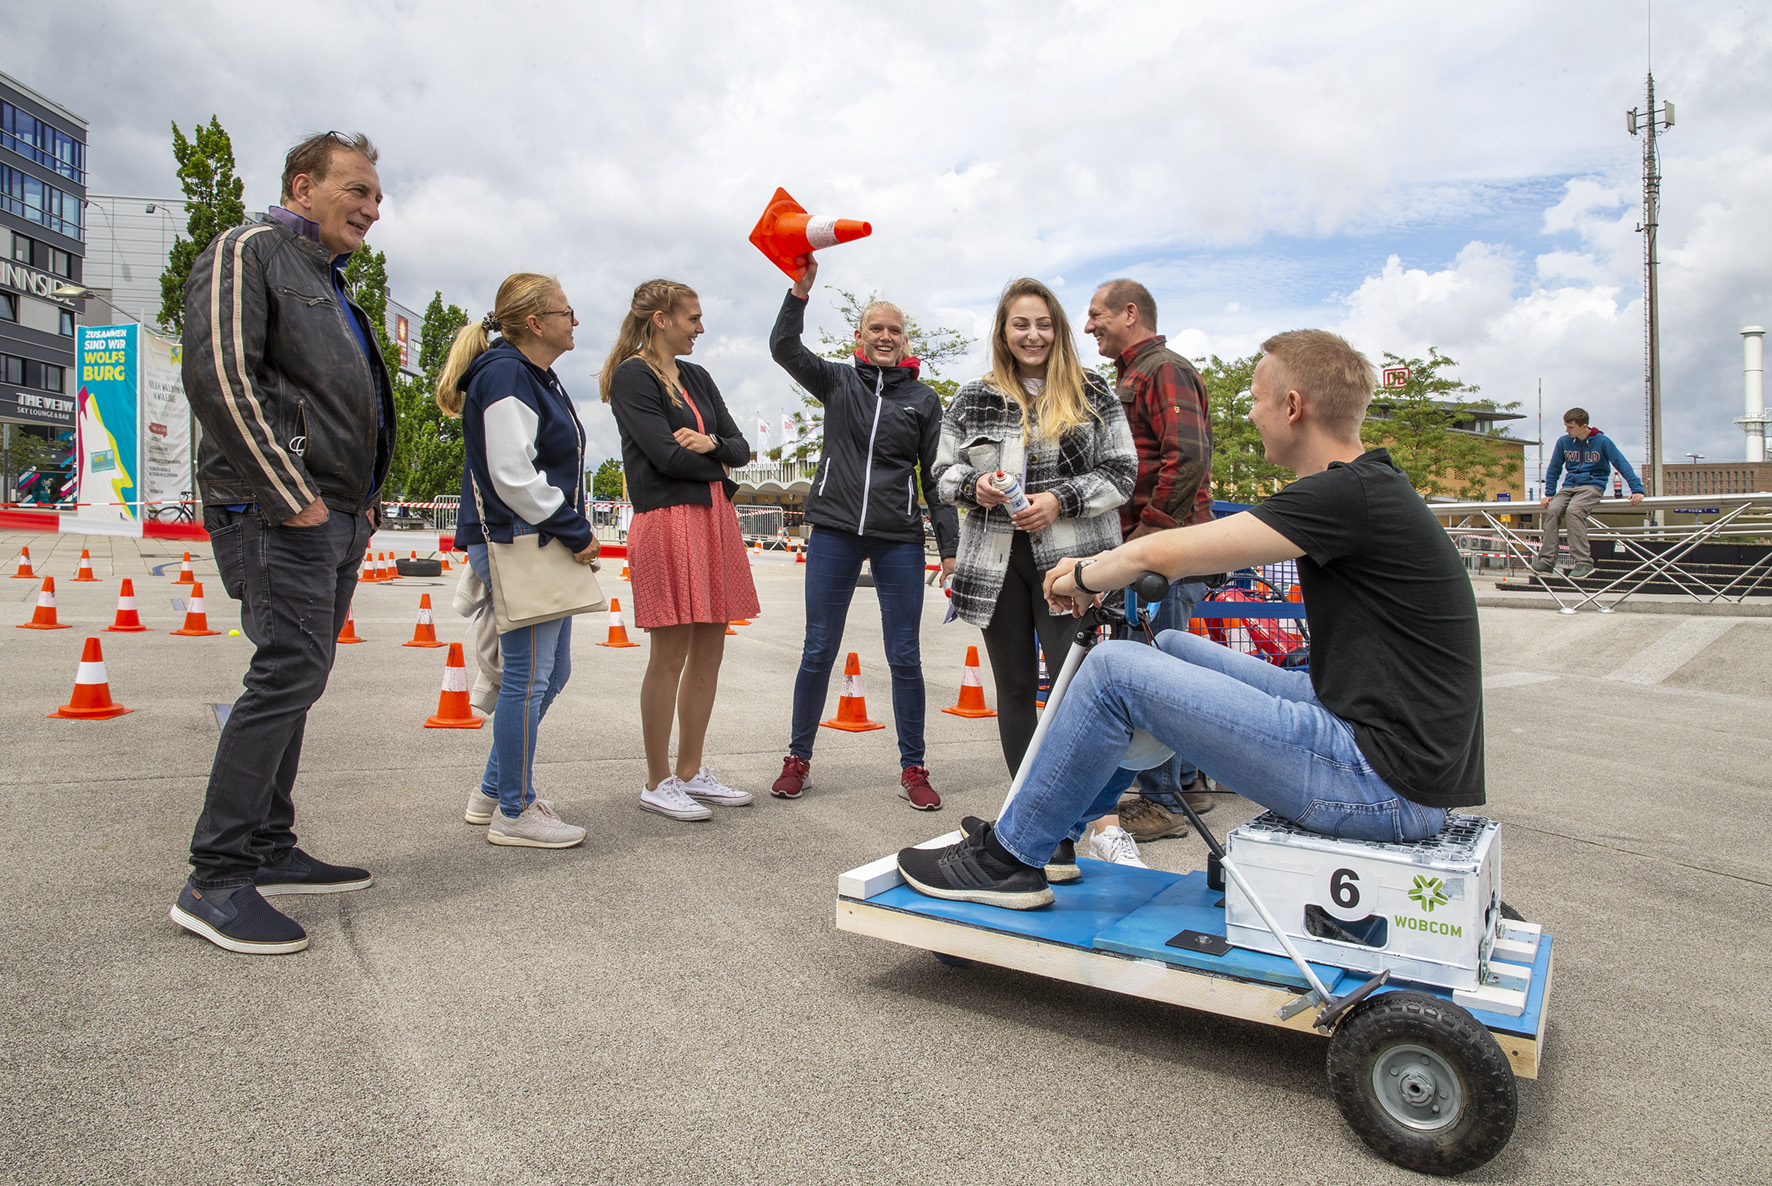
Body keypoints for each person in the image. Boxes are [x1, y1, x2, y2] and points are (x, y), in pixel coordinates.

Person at [899, 330, 1482, 908]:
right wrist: (1104, 567)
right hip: (1377, 750)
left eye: (1255, 399)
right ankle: (1050, 837)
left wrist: (1082, 576)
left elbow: (1161, 552)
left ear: (1293, 406)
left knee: (1112, 670)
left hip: (1377, 782)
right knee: (1170, 645)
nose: (1250, 414)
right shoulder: (1364, 487)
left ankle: (1008, 861)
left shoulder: (1344, 495)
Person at [171, 131, 394, 955]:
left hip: (333, 510)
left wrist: (363, 502)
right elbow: (219, 374)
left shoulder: (326, 281)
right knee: (287, 670)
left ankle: (268, 844)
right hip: (275, 507)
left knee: (301, 674)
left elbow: (349, 402)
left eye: (377, 196)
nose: (372, 208)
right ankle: (216, 877)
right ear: (303, 186)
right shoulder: (248, 251)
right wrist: (288, 492)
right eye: (357, 190)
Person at [766, 255, 959, 810]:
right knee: (818, 649)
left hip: (897, 537)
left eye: (894, 330)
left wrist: (948, 550)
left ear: (904, 341)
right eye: (876, 328)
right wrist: (798, 292)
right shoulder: (837, 379)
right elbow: (784, 348)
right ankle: (797, 758)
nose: (885, 336)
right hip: (833, 530)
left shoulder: (922, 400)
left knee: (905, 655)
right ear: (859, 336)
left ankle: (914, 766)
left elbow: (936, 477)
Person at [933, 277, 1135, 782]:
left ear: (1058, 330)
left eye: (1044, 325)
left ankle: (1072, 814)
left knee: (1074, 688)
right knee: (1016, 689)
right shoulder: (973, 396)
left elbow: (1122, 473)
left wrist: (1058, 500)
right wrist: (975, 485)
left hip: (1072, 567)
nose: (1033, 335)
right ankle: (1027, 816)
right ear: (1003, 332)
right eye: (1020, 324)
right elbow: (940, 473)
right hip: (996, 567)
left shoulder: (1092, 392)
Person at [441, 273, 599, 848]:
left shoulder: (530, 373)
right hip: (521, 539)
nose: (573, 321)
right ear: (535, 322)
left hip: (529, 538)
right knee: (529, 679)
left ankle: (496, 791)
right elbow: (512, 473)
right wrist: (574, 528)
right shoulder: (509, 372)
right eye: (566, 311)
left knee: (547, 674)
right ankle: (513, 809)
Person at [604, 279, 759, 821]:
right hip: (666, 519)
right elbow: (665, 458)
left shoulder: (697, 376)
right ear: (661, 318)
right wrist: (717, 464)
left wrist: (714, 446)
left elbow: (742, 447)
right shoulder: (631, 376)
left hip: (713, 517)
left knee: (710, 650)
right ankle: (656, 779)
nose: (701, 327)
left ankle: (691, 771)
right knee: (668, 654)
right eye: (692, 317)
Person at [1083, 278, 1216, 843]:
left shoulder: (1163, 369)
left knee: (1152, 676)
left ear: (1129, 313)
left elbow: (1186, 459)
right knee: (1161, 665)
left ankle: (1162, 804)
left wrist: (1145, 540)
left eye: (1096, 315)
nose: (1087, 326)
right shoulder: (1131, 376)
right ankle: (1186, 781)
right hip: (1155, 551)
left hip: (1165, 554)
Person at [1534, 408, 1644, 579]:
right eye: (1565, 426)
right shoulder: (1564, 442)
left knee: (1574, 511)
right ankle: (1547, 561)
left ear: (1584, 426)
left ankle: (1584, 562)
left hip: (1592, 485)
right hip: (1569, 486)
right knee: (1553, 509)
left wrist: (1636, 489)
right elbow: (1554, 468)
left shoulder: (1602, 442)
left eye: (1570, 427)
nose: (1567, 431)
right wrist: (1549, 493)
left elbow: (1621, 463)